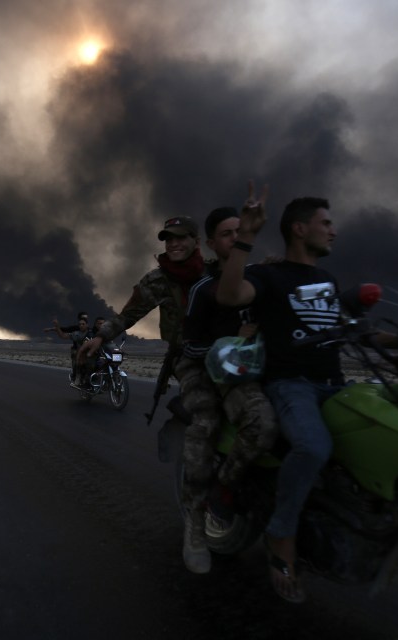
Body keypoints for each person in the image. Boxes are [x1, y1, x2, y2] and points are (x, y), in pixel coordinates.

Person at [216, 182, 342, 603]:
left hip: (336, 386)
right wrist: (247, 235)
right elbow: (230, 294)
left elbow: (345, 325)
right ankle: (281, 535)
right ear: (300, 229)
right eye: (326, 223)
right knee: (311, 446)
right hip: (292, 386)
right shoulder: (269, 275)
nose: (334, 230)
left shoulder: (327, 280)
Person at [175, 207, 278, 574]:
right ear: (211, 244)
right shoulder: (204, 289)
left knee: (270, 421)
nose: (235, 238)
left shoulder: (259, 279)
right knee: (205, 422)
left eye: (240, 231)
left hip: (245, 366)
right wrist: (231, 341)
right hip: (204, 368)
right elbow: (191, 346)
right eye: (226, 234)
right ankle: (197, 519)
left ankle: (234, 486)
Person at [77, 216, 207, 382]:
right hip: (187, 357)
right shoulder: (156, 281)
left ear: (196, 242)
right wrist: (100, 337)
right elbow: (127, 315)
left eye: (181, 238)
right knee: (201, 402)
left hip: (222, 351)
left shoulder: (213, 274)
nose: (174, 244)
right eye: (169, 239)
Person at [46, 311, 89, 381]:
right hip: (77, 349)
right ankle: (75, 376)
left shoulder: (90, 330)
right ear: (79, 319)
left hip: (88, 350)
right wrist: (52, 328)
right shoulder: (75, 329)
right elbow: (63, 330)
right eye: (83, 318)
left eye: (86, 318)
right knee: (76, 362)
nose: (84, 319)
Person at [54, 316, 93, 386]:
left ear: (87, 325)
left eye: (83, 324)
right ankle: (78, 376)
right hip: (82, 354)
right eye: (80, 324)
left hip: (93, 353)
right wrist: (57, 327)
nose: (81, 325)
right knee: (79, 360)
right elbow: (63, 335)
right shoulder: (76, 334)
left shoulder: (92, 333)